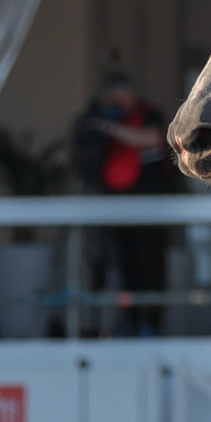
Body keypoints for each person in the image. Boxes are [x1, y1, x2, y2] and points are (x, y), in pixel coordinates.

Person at [68, 69, 178, 336]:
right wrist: (99, 124)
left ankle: (151, 324)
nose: (117, 102)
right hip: (116, 208)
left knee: (150, 268)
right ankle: (129, 321)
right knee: (123, 270)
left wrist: (111, 127)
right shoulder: (103, 117)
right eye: (112, 97)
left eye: (121, 96)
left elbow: (152, 139)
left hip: (150, 210)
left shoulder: (148, 113)